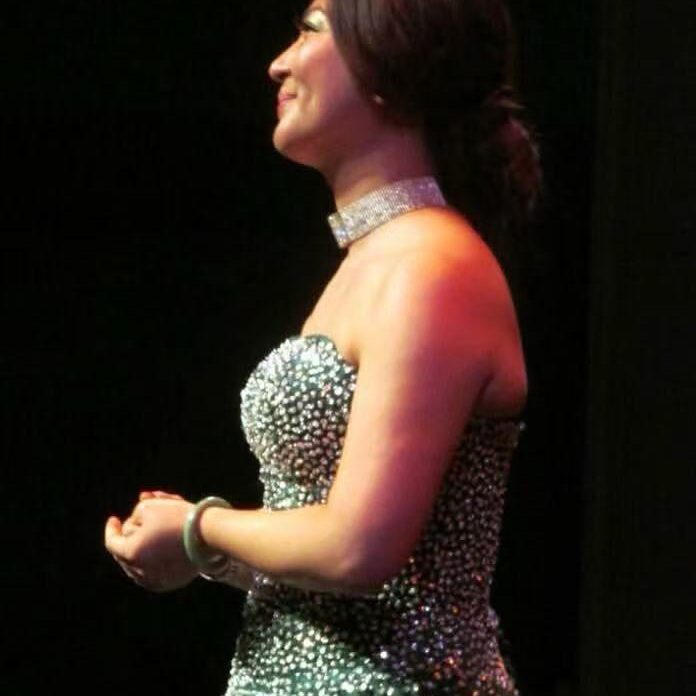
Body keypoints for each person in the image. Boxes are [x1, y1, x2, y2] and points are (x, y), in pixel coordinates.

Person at [104, 0, 542, 693]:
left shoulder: (433, 267)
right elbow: (345, 581)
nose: (277, 64)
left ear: (387, 64)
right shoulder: (376, 260)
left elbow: (361, 548)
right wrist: (201, 554)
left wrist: (199, 528)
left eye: (310, 30)